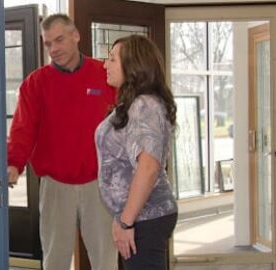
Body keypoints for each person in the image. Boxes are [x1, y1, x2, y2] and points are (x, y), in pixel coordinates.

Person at [7, 14, 118, 270]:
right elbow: (22, 129)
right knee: (55, 260)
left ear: (75, 35)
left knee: (105, 260)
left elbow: (126, 119)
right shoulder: (35, 83)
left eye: (59, 40)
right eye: (48, 44)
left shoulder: (103, 74)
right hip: (55, 186)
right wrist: (14, 164)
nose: (54, 49)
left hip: (99, 184)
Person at [95, 35, 178, 269]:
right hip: (138, 216)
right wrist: (120, 218)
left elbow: (149, 168)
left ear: (133, 65)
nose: (105, 65)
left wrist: (125, 222)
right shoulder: (134, 104)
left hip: (146, 217)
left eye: (112, 59)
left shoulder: (145, 106)